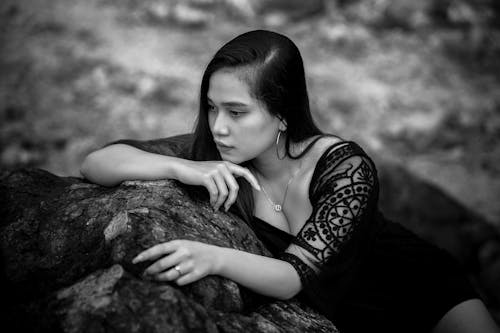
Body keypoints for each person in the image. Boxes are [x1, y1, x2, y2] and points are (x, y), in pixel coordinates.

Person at [80, 30, 499, 333]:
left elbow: (293, 277)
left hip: (420, 293)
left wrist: (211, 257)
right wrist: (181, 168)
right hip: (345, 316)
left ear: (282, 115)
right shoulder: (215, 155)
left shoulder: (346, 168)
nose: (218, 126)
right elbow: (96, 163)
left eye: (236, 111)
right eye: (211, 107)